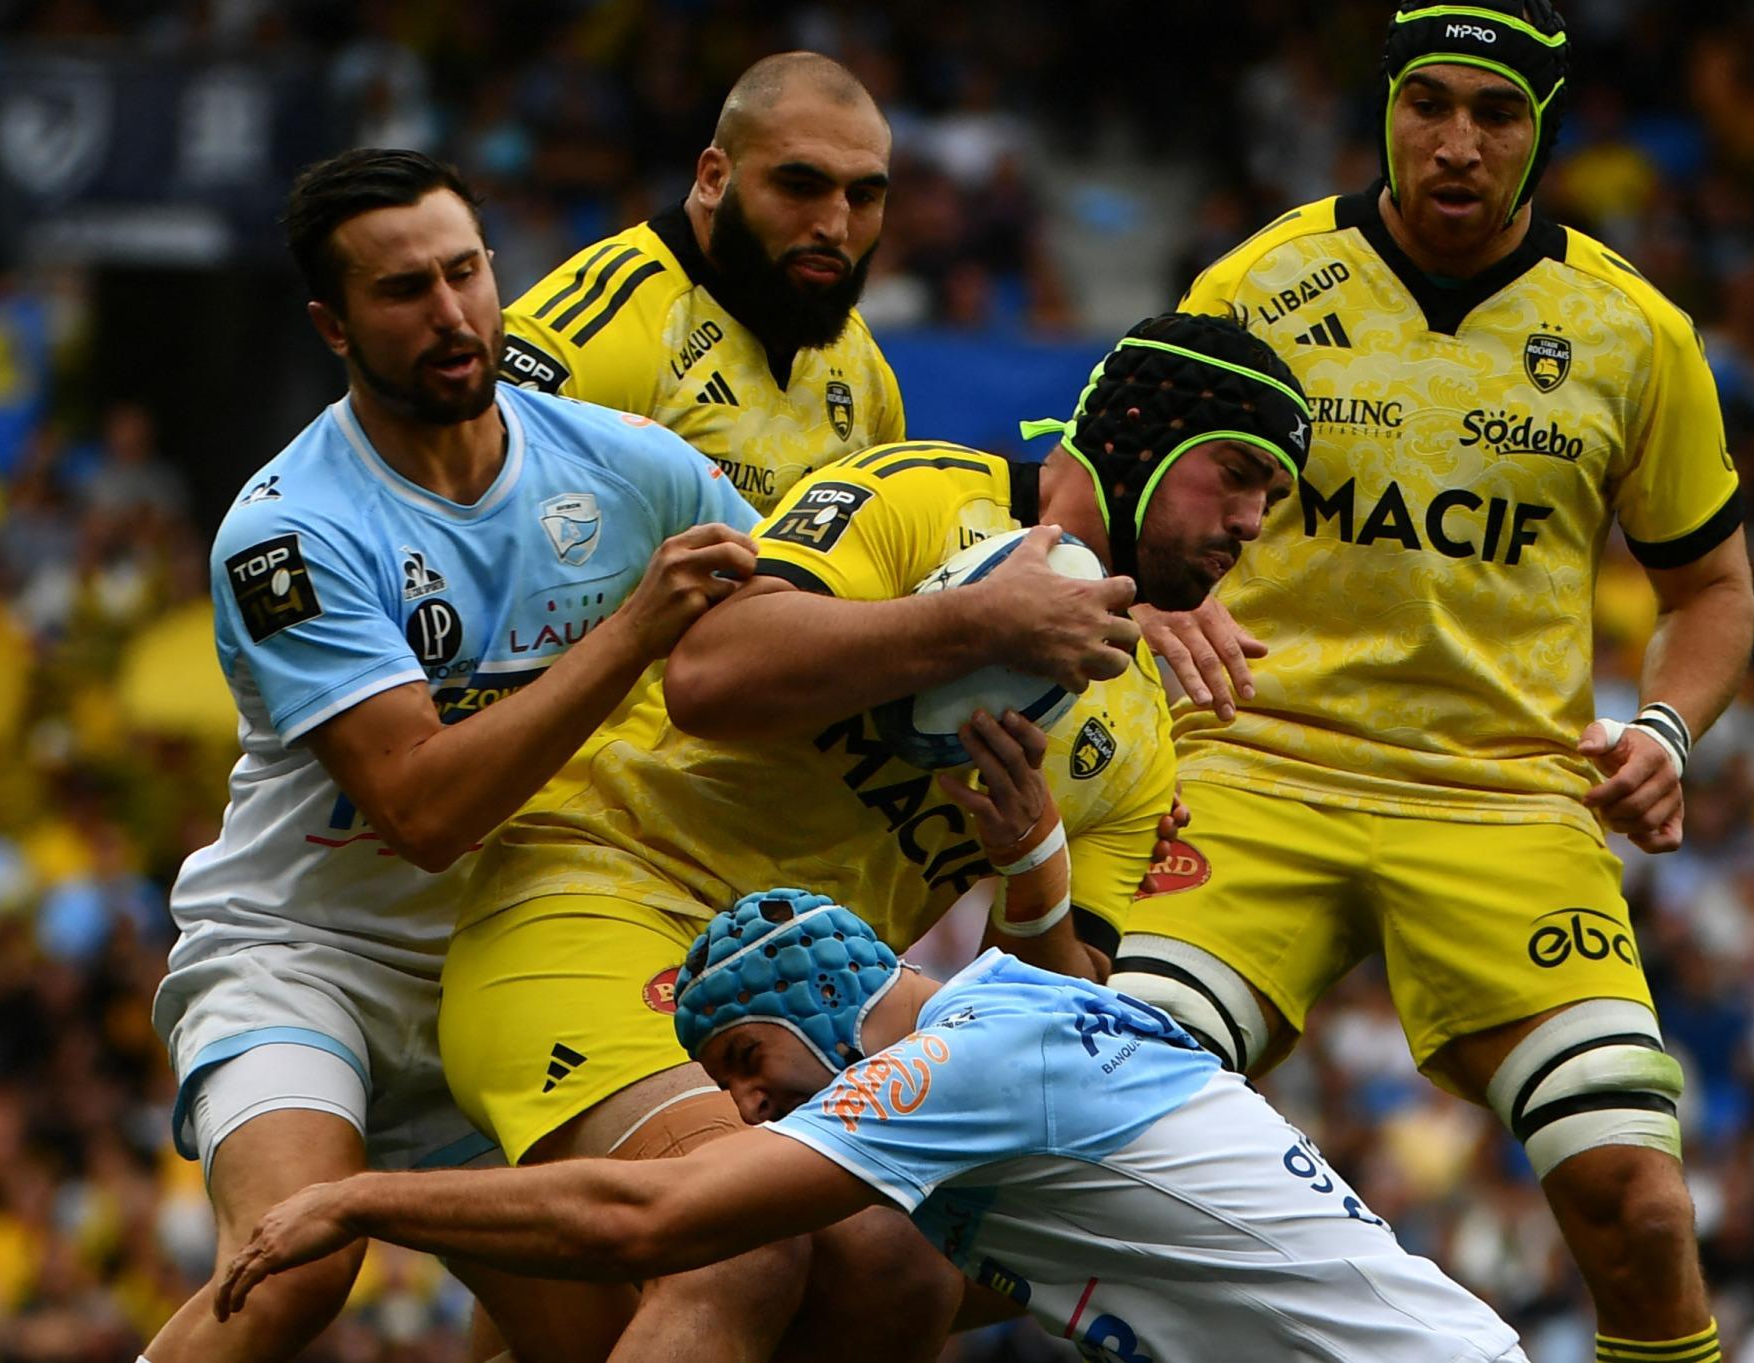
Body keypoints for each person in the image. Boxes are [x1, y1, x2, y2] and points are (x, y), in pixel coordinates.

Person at [436, 311, 1308, 1360]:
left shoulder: (1138, 738)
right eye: (1237, 473)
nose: (1254, 520)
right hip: (599, 905)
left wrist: (1031, 867)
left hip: (808, 1031)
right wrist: (983, 625)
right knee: (736, 1245)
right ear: (1140, 437)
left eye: (1272, 494)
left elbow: (1043, 1019)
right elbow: (709, 675)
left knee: (903, 1263)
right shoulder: (922, 492)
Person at [1127, 7, 1754, 1363]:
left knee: (1639, 1207)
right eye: (1430, 105)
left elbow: (1714, 590)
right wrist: (1166, 599)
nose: (1457, 143)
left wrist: (1665, 729)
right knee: (1096, 1127)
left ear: (1545, 127)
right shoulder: (1261, 285)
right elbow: (1115, 490)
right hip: (1256, 768)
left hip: (1508, 801)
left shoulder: (1633, 331)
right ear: (1387, 108)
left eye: (1497, 112)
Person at [139, 148, 759, 1363]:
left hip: (511, 973)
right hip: (307, 957)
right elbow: (423, 809)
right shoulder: (289, 533)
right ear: (332, 323)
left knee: (624, 1331)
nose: (452, 313)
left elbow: (803, 614)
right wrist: (635, 625)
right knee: (293, 1266)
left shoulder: (628, 466)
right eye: (403, 290)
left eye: (467, 272)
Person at [216, 892, 1532, 1363]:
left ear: (813, 998)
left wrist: (364, 1197)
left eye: (741, 1060)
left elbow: (654, 1214)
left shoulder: (961, 1061)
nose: (742, 1103)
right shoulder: (1011, 1044)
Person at [498, 51, 904, 511]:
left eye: (864, 196)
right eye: (800, 187)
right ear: (714, 179)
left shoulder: (864, 368)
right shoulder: (596, 331)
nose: (835, 226)